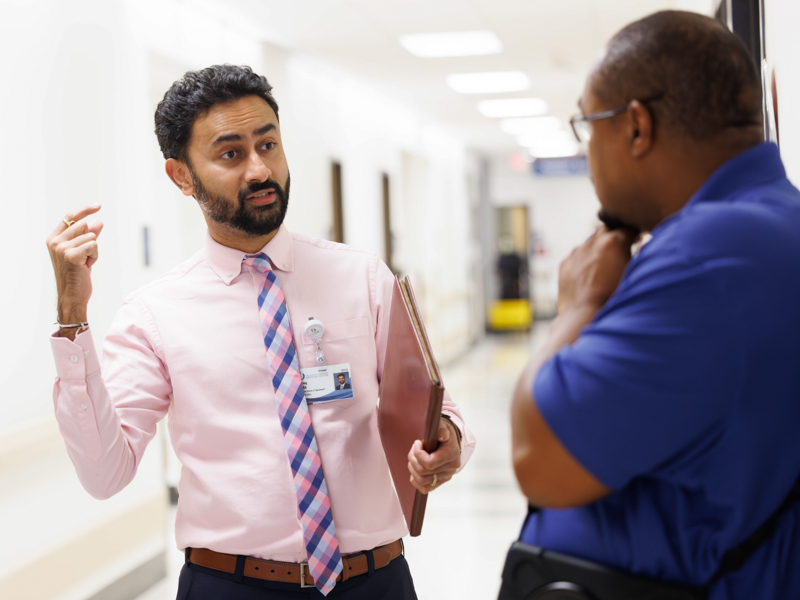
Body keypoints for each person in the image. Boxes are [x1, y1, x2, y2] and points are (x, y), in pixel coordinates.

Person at [45, 64, 474, 599]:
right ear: (181, 176)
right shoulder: (153, 314)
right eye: (231, 153)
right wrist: (71, 316)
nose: (258, 169)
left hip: (374, 580)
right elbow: (105, 474)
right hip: (231, 584)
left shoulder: (361, 277)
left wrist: (448, 439)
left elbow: (437, 406)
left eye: (268, 145)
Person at [508, 10, 800, 600]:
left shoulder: (708, 256)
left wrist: (577, 305)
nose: (589, 154)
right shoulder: (771, 223)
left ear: (636, 127)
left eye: (588, 126)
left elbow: (539, 458)